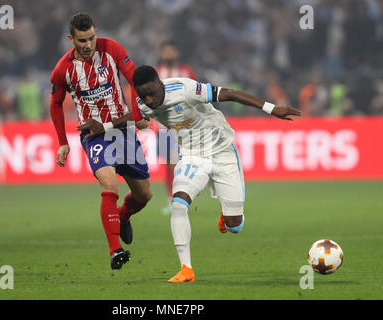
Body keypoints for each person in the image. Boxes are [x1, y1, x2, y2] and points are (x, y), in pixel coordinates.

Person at [131, 66, 301, 282]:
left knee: (234, 226)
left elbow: (228, 93)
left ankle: (226, 211)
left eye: (152, 93)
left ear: (160, 85)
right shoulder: (143, 106)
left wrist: (271, 108)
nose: (148, 99)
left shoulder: (185, 89)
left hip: (222, 151)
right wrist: (107, 125)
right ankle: (186, 269)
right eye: (143, 95)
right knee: (178, 204)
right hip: (192, 156)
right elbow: (135, 118)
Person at [50, 13, 152, 270]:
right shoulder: (63, 69)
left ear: (97, 33)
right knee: (109, 184)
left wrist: (138, 114)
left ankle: (123, 217)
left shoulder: (112, 49)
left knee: (144, 194)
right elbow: (55, 103)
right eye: (82, 40)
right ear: (71, 39)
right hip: (93, 134)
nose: (88, 45)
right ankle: (114, 250)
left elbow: (133, 79)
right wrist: (63, 141)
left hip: (123, 129)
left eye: (92, 38)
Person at [155, 42, 197, 215]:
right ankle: (171, 200)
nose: (169, 53)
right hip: (163, 126)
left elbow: (195, 94)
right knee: (168, 164)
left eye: (172, 50)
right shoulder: (156, 72)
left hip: (185, 126)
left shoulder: (187, 71)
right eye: (166, 50)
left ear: (177, 52)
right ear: (161, 53)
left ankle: (182, 197)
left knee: (182, 162)